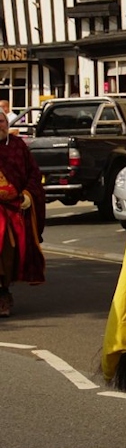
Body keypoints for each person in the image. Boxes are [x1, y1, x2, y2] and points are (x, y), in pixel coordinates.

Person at [0, 110, 46, 316]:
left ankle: (3, 293)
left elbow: (34, 175)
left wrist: (28, 195)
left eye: (1, 121)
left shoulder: (18, 146)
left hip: (15, 209)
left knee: (9, 250)